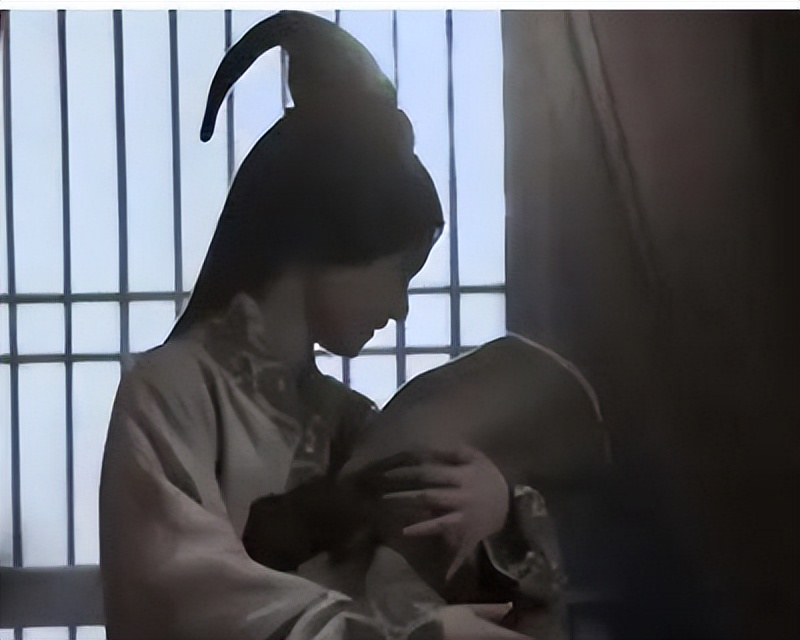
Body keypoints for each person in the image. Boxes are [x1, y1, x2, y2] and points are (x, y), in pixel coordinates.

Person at [99, 11, 563, 640]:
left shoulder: (350, 422)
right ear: (329, 240)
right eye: (397, 273)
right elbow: (181, 594)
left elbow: (422, 584)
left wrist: (494, 516)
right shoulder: (168, 394)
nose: (400, 308)